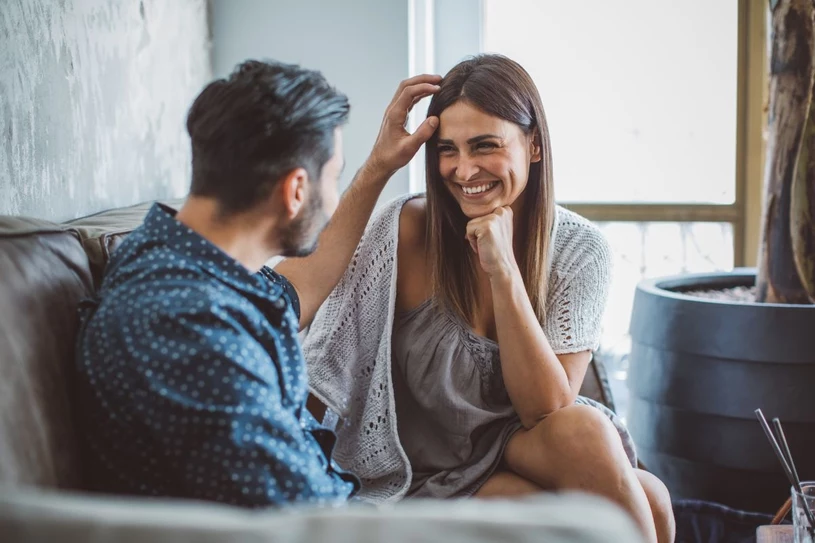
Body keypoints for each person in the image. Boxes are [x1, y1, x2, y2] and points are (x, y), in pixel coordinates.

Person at [302, 54, 675, 543]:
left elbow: (546, 410)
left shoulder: (581, 250)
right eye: (447, 149)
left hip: (522, 443)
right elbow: (319, 346)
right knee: (594, 509)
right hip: (423, 472)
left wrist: (503, 270)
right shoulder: (408, 231)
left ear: (534, 145)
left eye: (485, 146)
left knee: (644, 490)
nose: (463, 169)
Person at [74, 59, 441, 507]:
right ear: (295, 191)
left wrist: (379, 166)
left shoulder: (185, 263)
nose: (330, 200)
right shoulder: (187, 330)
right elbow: (310, 520)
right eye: (333, 178)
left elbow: (297, 290)